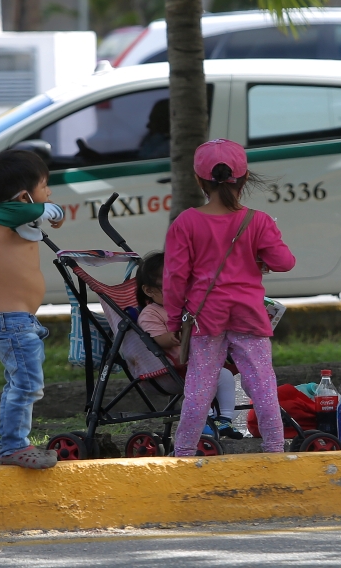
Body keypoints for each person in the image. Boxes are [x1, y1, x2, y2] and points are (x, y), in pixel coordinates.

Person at [164, 139, 296, 456]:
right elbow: (284, 262)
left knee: (199, 385)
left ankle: (182, 451)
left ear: (199, 181)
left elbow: (175, 278)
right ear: (244, 178)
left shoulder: (186, 222)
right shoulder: (259, 221)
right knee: (262, 383)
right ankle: (275, 448)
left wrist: (172, 318)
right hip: (249, 314)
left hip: (204, 315)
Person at [0, 149, 66, 469]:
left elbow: (33, 214)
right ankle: (12, 446)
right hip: (12, 322)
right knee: (26, 384)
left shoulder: (19, 218)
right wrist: (50, 211)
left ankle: (16, 442)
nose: (49, 192)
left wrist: (43, 213)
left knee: (26, 383)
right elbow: (28, 211)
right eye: (45, 186)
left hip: (22, 322)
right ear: (24, 196)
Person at [126, 252, 240, 437]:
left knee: (226, 376)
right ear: (149, 291)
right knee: (204, 379)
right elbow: (157, 339)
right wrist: (174, 336)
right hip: (176, 368)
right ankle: (203, 419)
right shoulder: (151, 313)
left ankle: (225, 419)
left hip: (201, 362)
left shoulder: (187, 306)